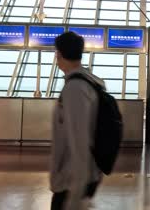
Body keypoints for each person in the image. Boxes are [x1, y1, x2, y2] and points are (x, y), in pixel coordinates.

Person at [50, 31, 103, 210]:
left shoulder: (75, 88)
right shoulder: (88, 82)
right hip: (80, 178)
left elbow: (80, 142)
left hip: (71, 181)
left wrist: (75, 197)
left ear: (59, 54)